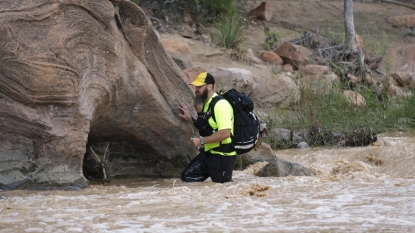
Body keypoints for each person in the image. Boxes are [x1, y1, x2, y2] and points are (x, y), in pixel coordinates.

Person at [178, 72, 236, 183]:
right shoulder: (207, 103)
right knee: (187, 177)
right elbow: (206, 125)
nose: (196, 89)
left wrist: (202, 141)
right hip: (209, 153)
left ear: (209, 86)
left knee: (222, 187)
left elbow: (225, 133)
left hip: (222, 156)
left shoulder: (221, 105)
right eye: (196, 86)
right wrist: (189, 118)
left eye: (199, 86)